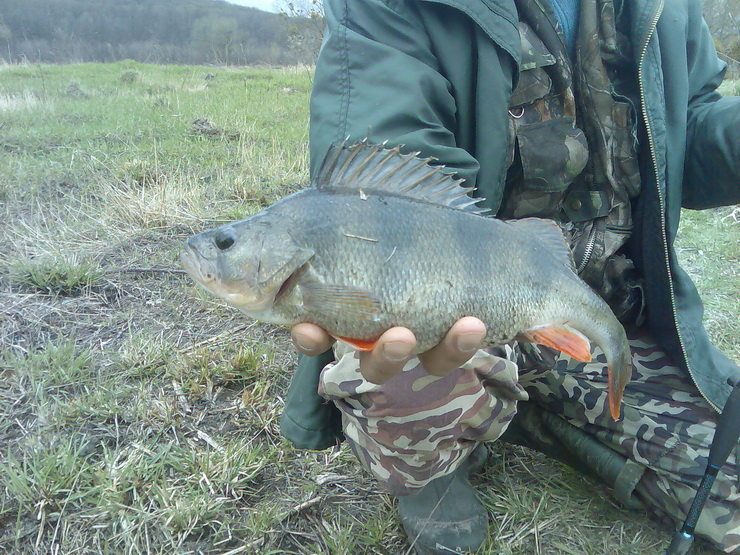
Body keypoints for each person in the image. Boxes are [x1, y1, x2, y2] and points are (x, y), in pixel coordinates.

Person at [279, 0, 740, 552]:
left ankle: (534, 411)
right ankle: (433, 458)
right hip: (465, 303)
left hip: (596, 304)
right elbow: (391, 179)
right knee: (397, 342)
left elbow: (687, 126)